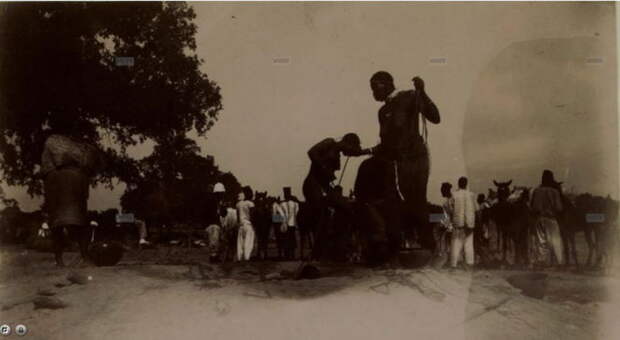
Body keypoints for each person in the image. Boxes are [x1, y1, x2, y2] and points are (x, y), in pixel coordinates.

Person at [356, 71, 441, 263]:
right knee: (387, 199)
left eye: (374, 87)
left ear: (387, 84)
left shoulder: (409, 97)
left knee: (417, 202)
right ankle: (390, 249)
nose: (373, 93)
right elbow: (386, 145)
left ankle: (430, 247)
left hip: (415, 160)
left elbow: (435, 117)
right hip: (394, 162)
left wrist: (423, 92)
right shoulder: (381, 112)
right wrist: (362, 152)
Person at [41, 118, 99, 267]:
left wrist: (79, 159)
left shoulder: (82, 145)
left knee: (79, 222)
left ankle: (84, 257)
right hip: (58, 185)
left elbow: (91, 161)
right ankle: (60, 260)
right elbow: (62, 158)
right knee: (58, 224)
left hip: (76, 185)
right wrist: (79, 158)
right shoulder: (53, 140)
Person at [303, 133, 366, 260]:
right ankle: (317, 254)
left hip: (325, 187)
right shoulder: (330, 142)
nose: (348, 152)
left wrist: (369, 151)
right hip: (313, 185)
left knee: (347, 208)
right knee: (322, 216)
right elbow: (311, 152)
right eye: (350, 148)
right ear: (347, 143)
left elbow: (355, 152)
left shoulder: (338, 153)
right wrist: (323, 167)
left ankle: (337, 247)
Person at [530, 170, 564, 268]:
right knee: (555, 241)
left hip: (539, 219)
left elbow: (533, 207)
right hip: (551, 219)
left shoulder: (536, 191)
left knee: (541, 242)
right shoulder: (554, 192)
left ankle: (542, 262)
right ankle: (558, 263)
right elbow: (559, 208)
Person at [450, 177, 477, 270]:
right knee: (469, 245)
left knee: (455, 244)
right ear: (466, 184)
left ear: (458, 184)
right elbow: (477, 209)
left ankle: (454, 264)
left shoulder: (454, 195)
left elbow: (450, 209)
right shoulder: (472, 195)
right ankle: (469, 264)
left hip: (458, 223)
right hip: (470, 224)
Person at [236, 186, 256, 261]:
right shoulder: (250, 204)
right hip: (248, 224)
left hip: (241, 225)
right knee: (248, 242)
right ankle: (247, 257)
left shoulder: (238, 204)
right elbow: (252, 216)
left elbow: (238, 217)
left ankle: (239, 257)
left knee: (240, 242)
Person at [281, 187, 300, 260]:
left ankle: (287, 256)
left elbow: (277, 217)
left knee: (286, 240)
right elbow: (297, 214)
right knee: (292, 239)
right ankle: (292, 255)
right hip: (292, 224)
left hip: (285, 225)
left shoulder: (282, 204)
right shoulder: (295, 204)